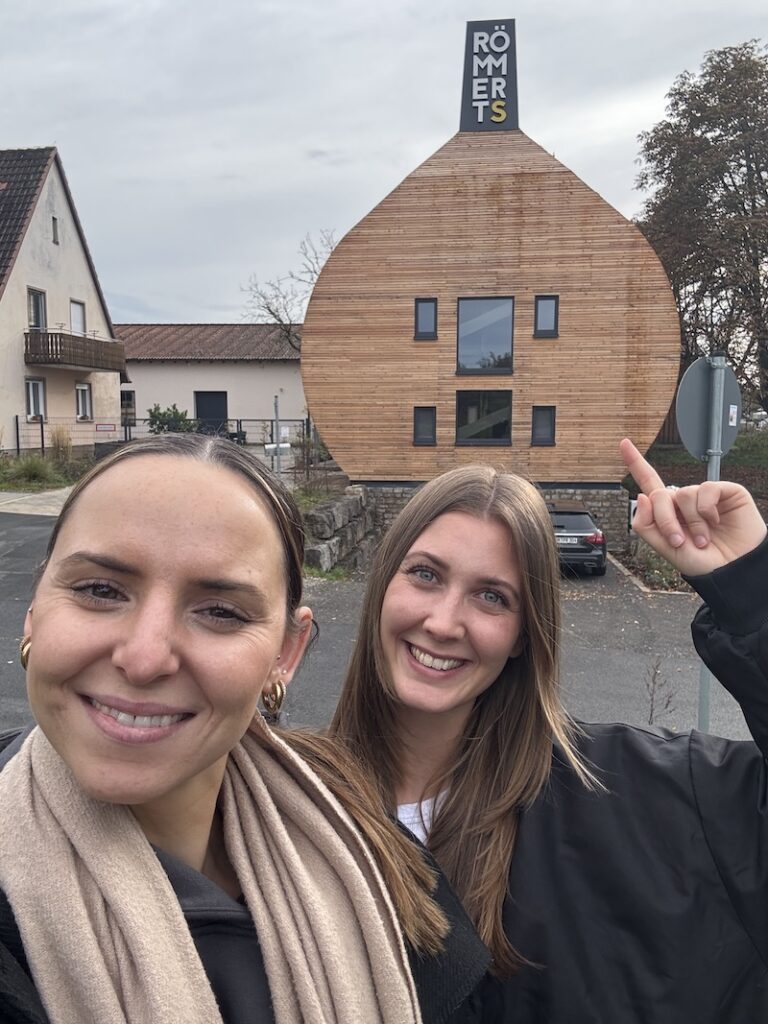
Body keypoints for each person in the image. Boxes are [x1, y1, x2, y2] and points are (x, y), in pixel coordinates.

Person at [0, 434, 490, 1024]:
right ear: (34, 610)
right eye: (99, 590)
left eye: (220, 611)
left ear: (286, 654)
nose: (145, 656)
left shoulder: (362, 839)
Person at [329, 438, 768, 1023]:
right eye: (426, 575)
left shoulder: (648, 798)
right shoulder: (286, 809)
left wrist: (754, 596)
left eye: (492, 596)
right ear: (383, 586)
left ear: (523, 636)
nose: (443, 622)